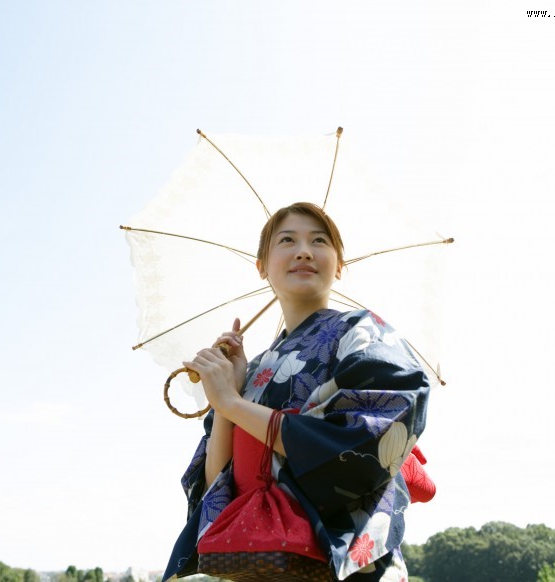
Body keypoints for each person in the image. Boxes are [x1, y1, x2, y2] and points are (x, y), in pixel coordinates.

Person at [162, 202, 432, 581]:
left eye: (318, 241)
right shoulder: (252, 369)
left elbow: (368, 441)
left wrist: (234, 403)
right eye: (287, 240)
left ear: (338, 265)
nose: (304, 250)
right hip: (264, 562)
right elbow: (217, 485)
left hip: (346, 561)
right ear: (262, 266)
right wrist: (228, 398)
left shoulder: (363, 334)